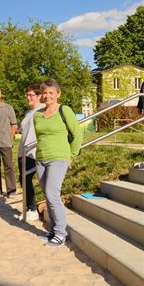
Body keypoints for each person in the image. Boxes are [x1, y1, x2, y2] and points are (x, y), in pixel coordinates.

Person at [34, 79, 83, 247]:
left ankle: (61, 233)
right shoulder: (37, 115)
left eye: (51, 93)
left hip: (59, 158)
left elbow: (77, 134)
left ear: (58, 94)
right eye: (45, 93)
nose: (47, 96)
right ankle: (54, 230)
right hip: (40, 159)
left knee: (52, 194)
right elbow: (40, 137)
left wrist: (72, 155)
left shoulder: (64, 110)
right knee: (47, 195)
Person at [17, 85, 45, 222]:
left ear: (39, 96)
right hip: (23, 150)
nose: (28, 97)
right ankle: (29, 208)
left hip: (33, 151)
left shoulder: (42, 110)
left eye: (31, 95)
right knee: (23, 180)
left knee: (27, 180)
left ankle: (33, 209)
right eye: (27, 95)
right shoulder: (29, 112)